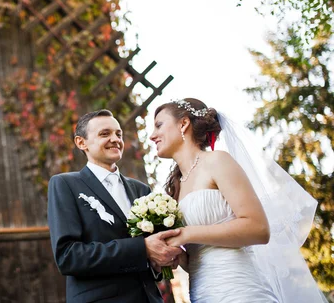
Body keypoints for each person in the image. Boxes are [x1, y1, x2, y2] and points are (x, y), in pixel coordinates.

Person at [150, 98, 326, 303]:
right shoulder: (177, 185)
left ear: (183, 124)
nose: (153, 135)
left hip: (240, 291)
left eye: (159, 125)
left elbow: (258, 229)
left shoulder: (217, 161)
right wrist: (181, 258)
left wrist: (187, 233)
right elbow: (204, 254)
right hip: (202, 293)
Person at [48, 109, 182, 303]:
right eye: (105, 134)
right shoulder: (65, 184)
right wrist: (142, 248)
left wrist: (161, 260)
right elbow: (68, 256)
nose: (115, 139)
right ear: (81, 142)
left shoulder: (140, 189)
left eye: (118, 134)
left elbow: (153, 251)